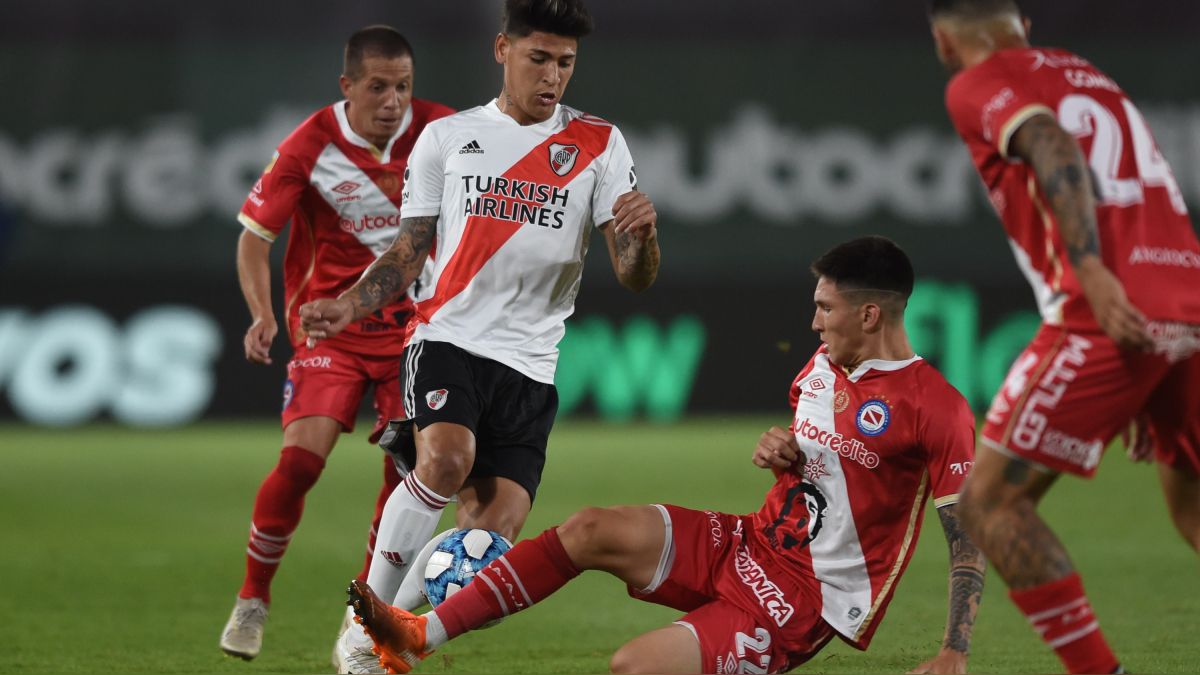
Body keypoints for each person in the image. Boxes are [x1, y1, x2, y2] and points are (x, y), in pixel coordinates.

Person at [344, 236, 987, 675]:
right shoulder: (820, 369)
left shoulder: (938, 407)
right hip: (748, 545)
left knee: (633, 666)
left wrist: (955, 650)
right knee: (589, 528)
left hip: (798, 605)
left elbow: (968, 537)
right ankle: (418, 635)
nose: (814, 323)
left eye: (825, 308)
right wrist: (782, 449)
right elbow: (826, 466)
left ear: (871, 314)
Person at [300, 0, 661, 671]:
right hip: (449, 338)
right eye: (539, 58)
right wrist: (350, 306)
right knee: (443, 461)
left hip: (532, 365)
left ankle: (390, 633)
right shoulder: (447, 137)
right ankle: (366, 626)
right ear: (503, 50)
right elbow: (410, 250)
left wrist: (642, 237)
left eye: (565, 62)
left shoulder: (599, 144)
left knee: (486, 537)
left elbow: (633, 274)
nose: (553, 75)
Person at [929, 1, 1200, 673]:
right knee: (1194, 508)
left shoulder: (974, 81)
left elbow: (1052, 144)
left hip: (1105, 307)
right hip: (1186, 298)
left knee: (988, 503)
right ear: (1020, 18)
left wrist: (1090, 270)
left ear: (943, 41)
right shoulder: (1087, 73)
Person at [219, 26, 454, 661]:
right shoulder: (308, 146)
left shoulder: (442, 132)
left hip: (415, 333)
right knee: (302, 461)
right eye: (378, 86)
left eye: (403, 86)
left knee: (408, 470)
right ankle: (253, 597)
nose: (393, 100)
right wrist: (262, 313)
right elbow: (253, 236)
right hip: (334, 329)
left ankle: (364, 612)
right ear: (347, 86)